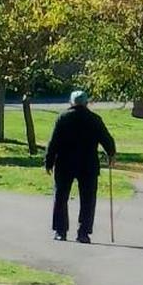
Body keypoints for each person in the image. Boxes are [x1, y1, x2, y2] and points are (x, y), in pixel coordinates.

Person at [44, 90, 116, 244]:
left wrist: (49, 161)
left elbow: (53, 142)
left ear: (71, 103)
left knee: (61, 197)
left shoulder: (63, 118)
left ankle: (60, 231)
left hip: (65, 164)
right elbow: (107, 139)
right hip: (88, 164)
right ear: (86, 103)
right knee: (88, 200)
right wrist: (111, 154)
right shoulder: (94, 119)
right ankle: (83, 233)